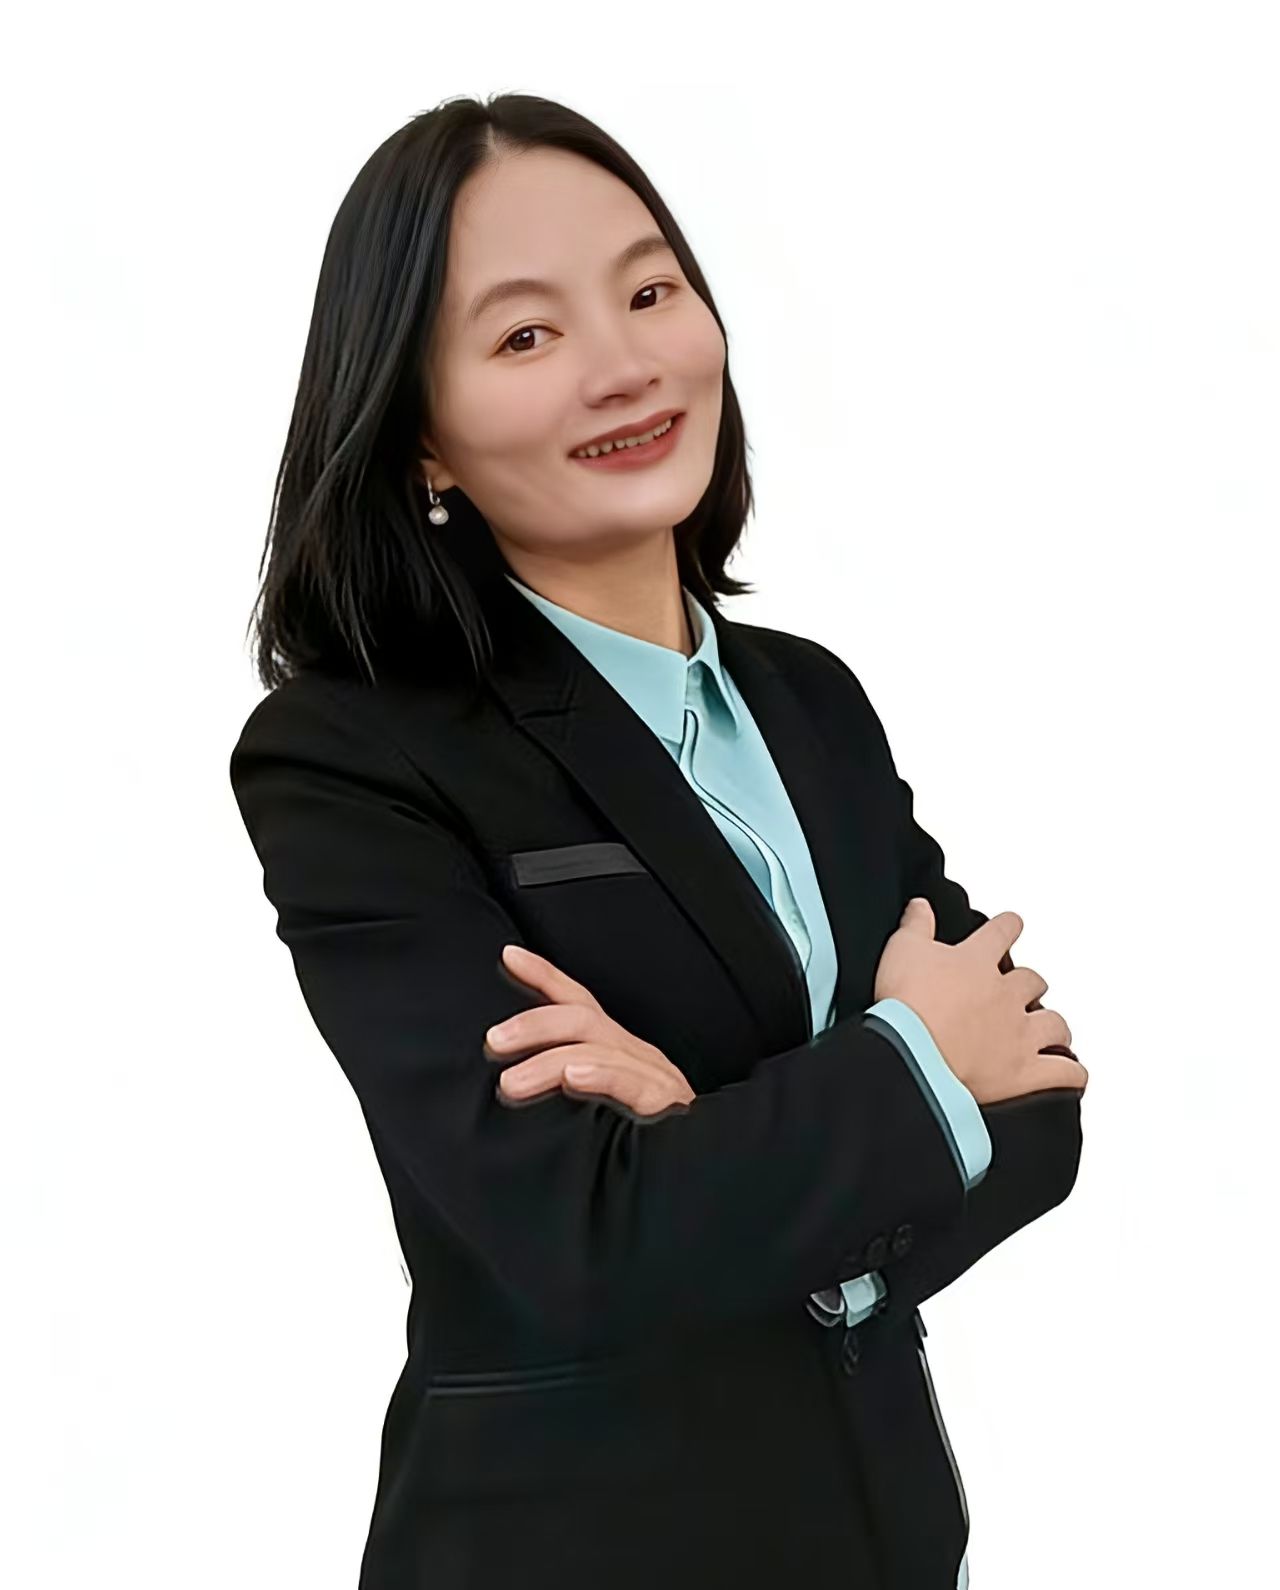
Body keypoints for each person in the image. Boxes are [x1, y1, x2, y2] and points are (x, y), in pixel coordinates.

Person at [229, 91, 1087, 1590]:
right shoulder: (353, 758)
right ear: (422, 436)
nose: (623, 365)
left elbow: (1039, 1103)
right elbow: (577, 1238)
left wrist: (709, 1131)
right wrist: (907, 1061)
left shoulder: (812, 703)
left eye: (647, 292)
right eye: (525, 335)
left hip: (884, 1540)